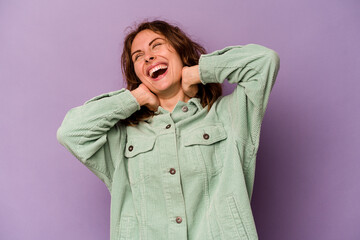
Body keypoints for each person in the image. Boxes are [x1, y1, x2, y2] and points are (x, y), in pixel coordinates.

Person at [57, 20, 280, 240]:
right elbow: (71, 132)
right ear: (137, 74)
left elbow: (264, 62)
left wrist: (197, 73)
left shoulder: (230, 114)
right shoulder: (124, 137)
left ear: (181, 52)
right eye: (138, 56)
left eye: (157, 45)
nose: (148, 56)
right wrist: (135, 98)